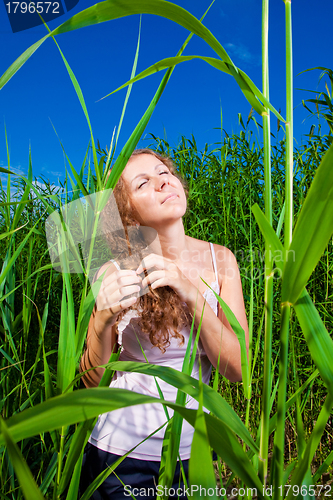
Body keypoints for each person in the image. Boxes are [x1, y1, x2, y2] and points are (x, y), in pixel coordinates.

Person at [79, 149, 249, 499]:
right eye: (143, 183)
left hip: (195, 452)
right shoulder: (114, 269)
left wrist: (190, 292)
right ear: (128, 212)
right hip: (120, 455)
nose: (163, 181)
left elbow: (237, 369)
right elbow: (92, 382)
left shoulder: (222, 261)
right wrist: (101, 319)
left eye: (163, 172)